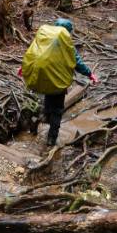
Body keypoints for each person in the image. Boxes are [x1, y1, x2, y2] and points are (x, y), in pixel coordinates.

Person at [23, 18, 98, 146]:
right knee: (57, 110)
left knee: (48, 102)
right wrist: (90, 74)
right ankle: (51, 139)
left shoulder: (44, 39)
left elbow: (32, 53)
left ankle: (38, 119)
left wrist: (24, 68)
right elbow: (77, 62)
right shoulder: (66, 43)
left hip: (42, 77)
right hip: (57, 82)